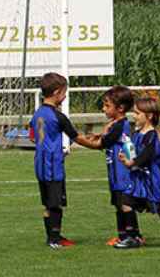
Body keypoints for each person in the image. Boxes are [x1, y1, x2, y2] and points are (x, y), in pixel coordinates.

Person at [28, 73, 103, 249]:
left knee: (47, 203)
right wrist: (98, 146)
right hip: (52, 165)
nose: (65, 96)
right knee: (55, 204)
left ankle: (51, 237)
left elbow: (33, 137)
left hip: (39, 163)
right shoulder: (58, 117)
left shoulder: (37, 113)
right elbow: (77, 138)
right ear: (56, 92)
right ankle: (55, 239)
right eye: (64, 92)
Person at [119, 96, 160, 248]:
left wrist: (131, 163)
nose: (134, 115)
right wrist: (125, 155)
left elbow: (147, 155)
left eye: (138, 113)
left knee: (159, 207)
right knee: (126, 202)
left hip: (150, 179)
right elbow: (133, 151)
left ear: (149, 116)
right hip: (137, 178)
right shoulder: (137, 133)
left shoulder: (151, 135)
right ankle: (133, 237)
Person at [96, 86, 142, 248]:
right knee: (118, 204)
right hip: (115, 173)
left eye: (107, 106)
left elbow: (104, 142)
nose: (104, 109)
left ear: (120, 108)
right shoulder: (116, 124)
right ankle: (124, 235)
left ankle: (132, 236)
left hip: (122, 173)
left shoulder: (120, 125)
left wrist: (80, 139)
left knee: (125, 204)